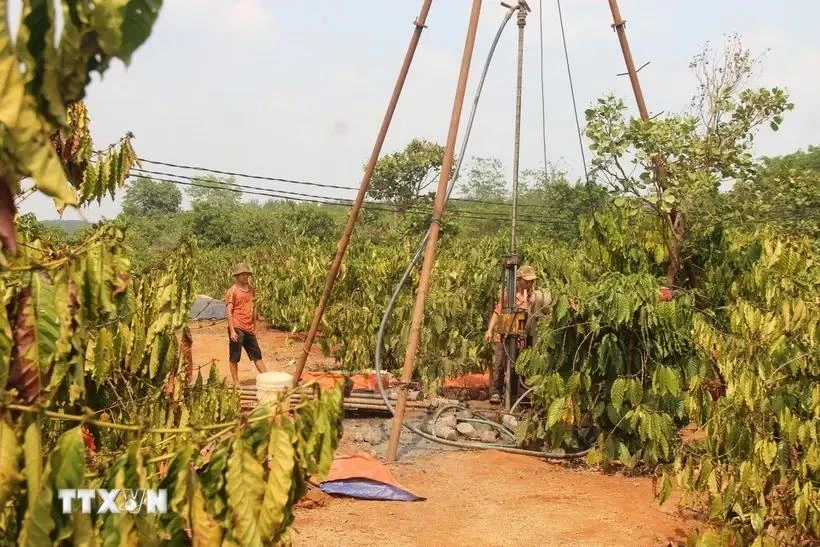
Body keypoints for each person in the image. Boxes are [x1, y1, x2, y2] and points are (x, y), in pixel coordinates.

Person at [484, 265, 551, 404]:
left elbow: (541, 314)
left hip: (522, 336)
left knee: (519, 365)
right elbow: (497, 312)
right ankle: (497, 392)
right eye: (527, 281)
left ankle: (519, 395)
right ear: (519, 280)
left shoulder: (533, 297)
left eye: (532, 281)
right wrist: (490, 330)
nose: (530, 284)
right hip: (505, 334)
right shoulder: (509, 295)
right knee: (500, 363)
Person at [225, 263, 267, 384]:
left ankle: (268, 378)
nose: (245, 276)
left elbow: (253, 307)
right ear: (237, 276)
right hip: (237, 326)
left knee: (256, 355)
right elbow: (229, 311)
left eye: (246, 274)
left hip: (249, 327)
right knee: (235, 356)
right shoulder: (232, 291)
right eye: (242, 274)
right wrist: (232, 331)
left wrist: (254, 325)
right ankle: (236, 382)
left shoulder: (252, 289)